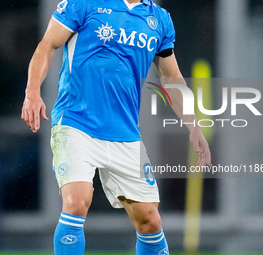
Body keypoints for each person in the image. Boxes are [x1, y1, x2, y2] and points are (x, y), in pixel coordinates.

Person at [21, 0, 211, 254]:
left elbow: (171, 77)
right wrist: (32, 92)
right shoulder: (84, 4)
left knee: (149, 219)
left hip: (126, 133)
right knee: (77, 201)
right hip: (76, 123)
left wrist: (194, 126)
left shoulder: (160, 19)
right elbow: (47, 44)